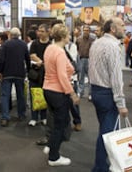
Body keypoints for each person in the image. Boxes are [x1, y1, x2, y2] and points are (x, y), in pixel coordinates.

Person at [89, 17, 128, 172]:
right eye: (122, 25)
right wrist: (121, 103)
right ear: (113, 28)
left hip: (96, 91)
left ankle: (105, 164)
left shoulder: (96, 43)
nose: (125, 28)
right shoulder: (112, 46)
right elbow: (116, 77)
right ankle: (99, 168)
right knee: (107, 134)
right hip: (107, 94)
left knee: (105, 130)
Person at [42, 23, 79, 166]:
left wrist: (68, 69)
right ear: (63, 37)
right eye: (68, 35)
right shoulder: (60, 52)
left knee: (57, 123)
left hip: (47, 90)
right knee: (60, 125)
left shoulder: (50, 48)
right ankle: (54, 157)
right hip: (58, 92)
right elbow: (63, 75)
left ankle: (51, 146)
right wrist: (72, 94)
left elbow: (67, 68)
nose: (70, 37)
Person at [0, 27, 30, 127]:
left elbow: (1, 59)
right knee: (21, 95)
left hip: (7, 73)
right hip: (19, 73)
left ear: (10, 35)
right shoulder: (23, 44)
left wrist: (0, 71)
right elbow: (27, 59)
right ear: (19, 35)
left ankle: (5, 117)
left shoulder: (5, 45)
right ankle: (21, 114)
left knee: (5, 96)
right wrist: (28, 70)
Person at [28, 24, 50, 127]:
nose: (39, 33)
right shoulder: (34, 44)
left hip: (47, 74)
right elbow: (32, 55)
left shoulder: (50, 45)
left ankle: (44, 117)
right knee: (34, 94)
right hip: (35, 73)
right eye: (39, 31)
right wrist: (40, 61)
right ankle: (34, 117)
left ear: (47, 32)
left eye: (42, 31)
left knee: (45, 95)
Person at [75, 25, 94, 99]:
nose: (86, 32)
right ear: (83, 31)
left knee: (91, 77)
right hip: (81, 59)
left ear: (89, 31)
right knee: (81, 77)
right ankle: (80, 92)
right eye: (85, 30)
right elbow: (76, 48)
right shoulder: (78, 40)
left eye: (87, 30)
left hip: (90, 59)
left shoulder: (92, 40)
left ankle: (90, 94)